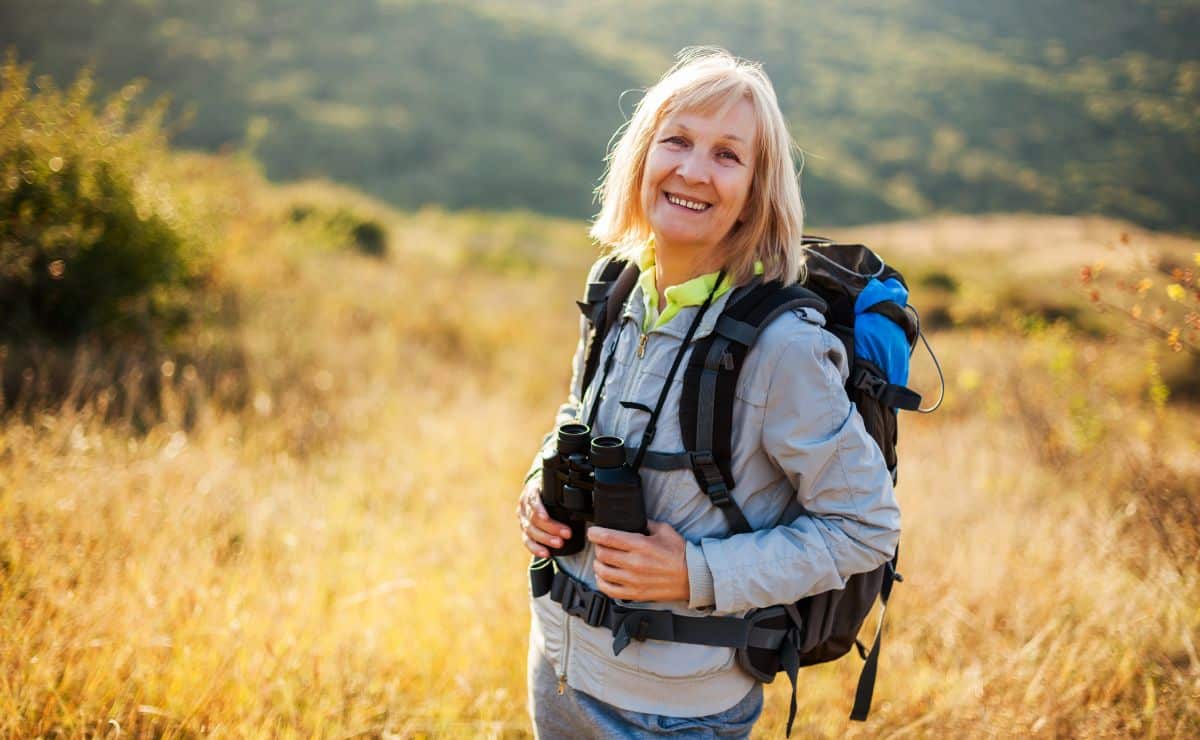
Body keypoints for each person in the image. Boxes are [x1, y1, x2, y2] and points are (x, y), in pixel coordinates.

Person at [516, 47, 900, 738]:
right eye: (678, 141)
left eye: (728, 155)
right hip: (559, 668)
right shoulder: (618, 284)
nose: (693, 171)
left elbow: (866, 527)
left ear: (757, 189)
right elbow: (578, 416)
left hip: (674, 712)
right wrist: (538, 488)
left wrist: (695, 572)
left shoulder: (781, 347)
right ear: (642, 156)